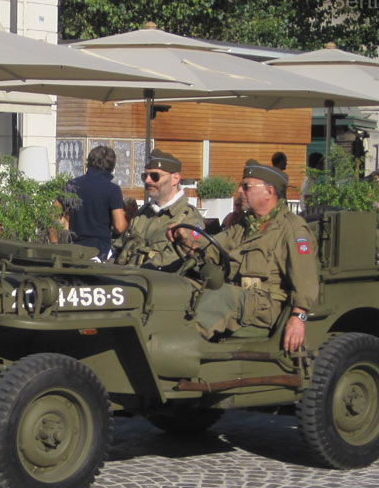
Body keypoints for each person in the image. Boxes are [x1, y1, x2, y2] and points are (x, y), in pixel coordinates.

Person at [169, 160, 319, 351]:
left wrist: (298, 318)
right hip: (237, 297)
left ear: (269, 192)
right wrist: (185, 240)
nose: (239, 191)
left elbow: (305, 280)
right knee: (185, 287)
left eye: (246, 186)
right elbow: (210, 250)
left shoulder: (293, 229)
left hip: (264, 305)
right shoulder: (243, 226)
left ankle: (180, 347)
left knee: (221, 296)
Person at [114, 149, 204, 270]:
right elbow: (118, 247)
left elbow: (173, 261)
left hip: (157, 284)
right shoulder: (143, 213)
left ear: (175, 178)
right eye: (145, 176)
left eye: (155, 176)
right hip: (126, 280)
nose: (147, 180)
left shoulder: (189, 217)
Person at [64, 145, 126, 260]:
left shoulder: (72, 184)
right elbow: (120, 226)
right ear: (112, 167)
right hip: (99, 251)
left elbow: (53, 212)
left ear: (88, 163)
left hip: (73, 248)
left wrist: (54, 242)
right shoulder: (113, 189)